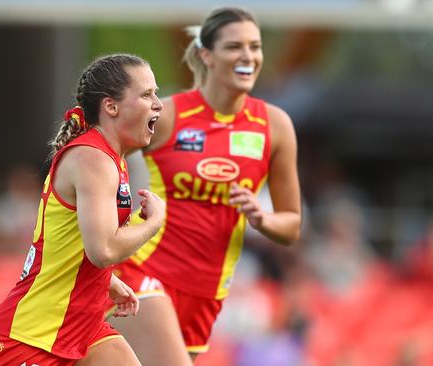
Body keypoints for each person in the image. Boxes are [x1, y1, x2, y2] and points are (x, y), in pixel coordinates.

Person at [109, 7, 302, 365]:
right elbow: (101, 153)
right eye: (234, 47)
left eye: (255, 47)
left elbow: (291, 225)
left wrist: (261, 218)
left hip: (207, 294)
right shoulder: (167, 115)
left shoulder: (274, 127)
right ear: (206, 55)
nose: (248, 56)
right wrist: (102, 218)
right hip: (144, 269)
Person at [0, 53, 165, 366]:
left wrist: (107, 282)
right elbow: (102, 249)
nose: (158, 103)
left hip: (82, 330)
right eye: (147, 94)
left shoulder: (110, 158)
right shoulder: (93, 160)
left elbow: (67, 237)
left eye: (156, 93)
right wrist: (154, 222)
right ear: (111, 106)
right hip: (29, 339)